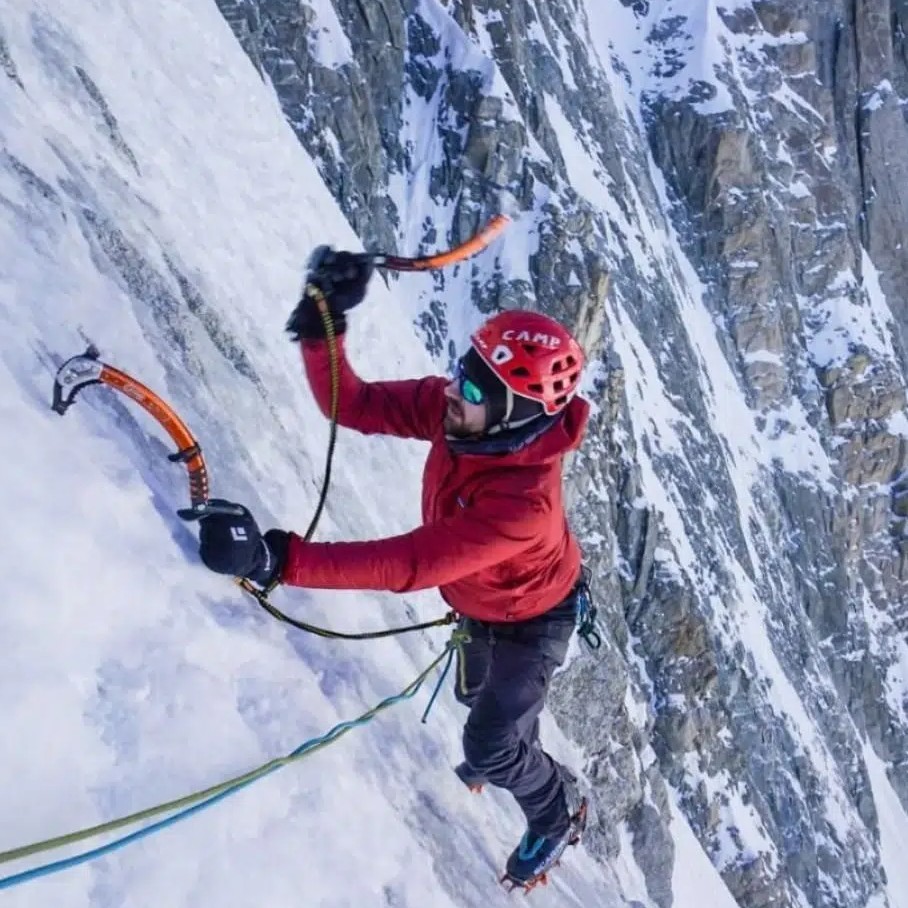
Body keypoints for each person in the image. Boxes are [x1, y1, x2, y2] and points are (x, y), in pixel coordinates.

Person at [192, 248, 591, 885]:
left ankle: (555, 810)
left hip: (534, 618)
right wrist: (324, 325)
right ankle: (519, 744)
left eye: (474, 388)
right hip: (482, 600)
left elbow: (408, 564)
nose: (454, 392)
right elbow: (353, 405)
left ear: (516, 413)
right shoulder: (466, 417)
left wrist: (277, 558)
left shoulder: (524, 505)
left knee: (488, 744)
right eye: (464, 372)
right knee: (477, 698)